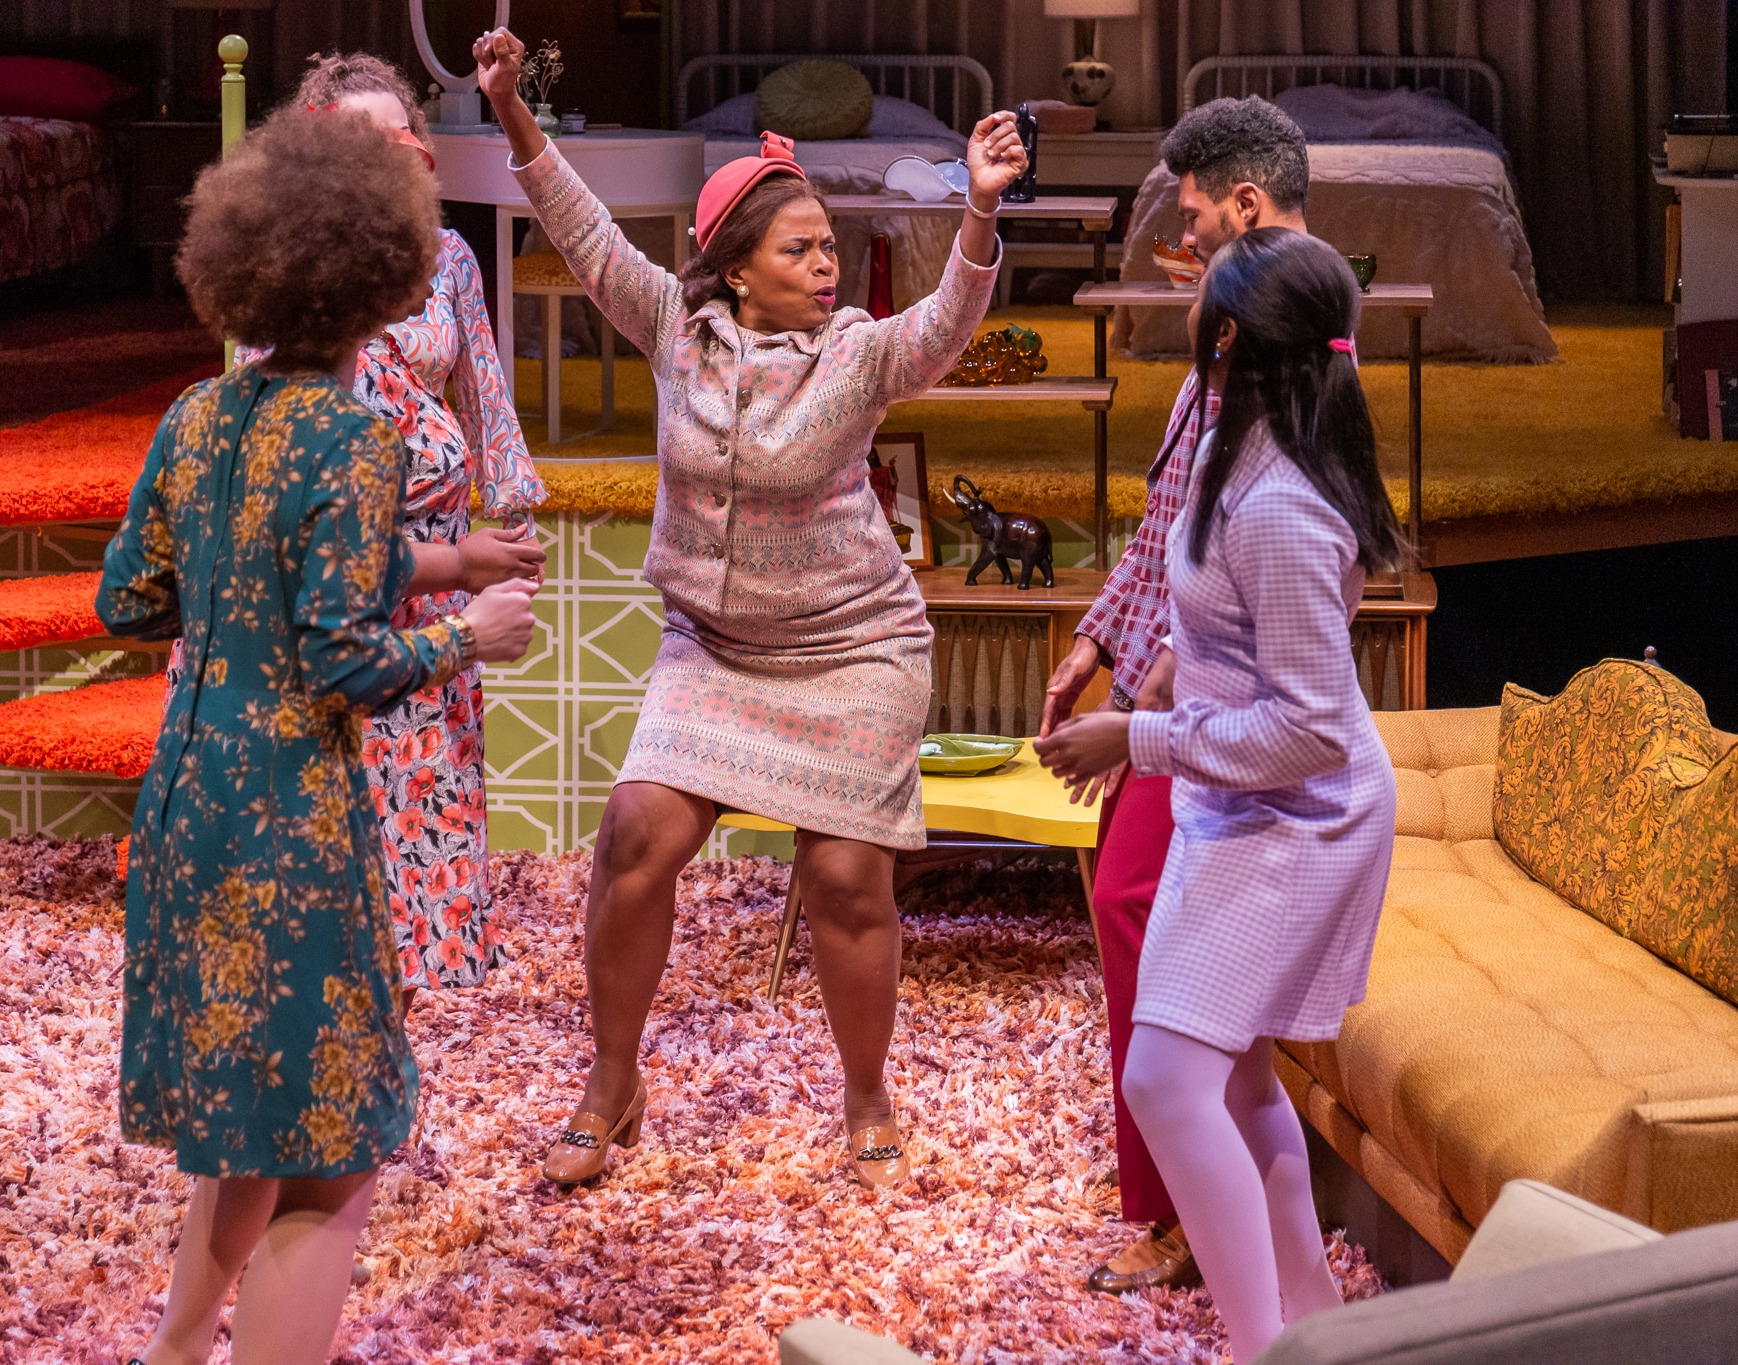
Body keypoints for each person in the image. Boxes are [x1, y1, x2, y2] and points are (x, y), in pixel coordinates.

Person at [470, 26, 1025, 1191]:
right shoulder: (675, 327)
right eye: (802, 249)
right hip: (711, 649)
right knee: (635, 837)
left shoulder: (861, 354)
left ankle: (867, 1096)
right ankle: (611, 1084)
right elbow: (580, 232)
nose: (828, 265)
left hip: (852, 646)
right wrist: (514, 112)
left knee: (839, 879)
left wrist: (976, 215)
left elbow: (946, 326)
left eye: (830, 246)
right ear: (734, 267)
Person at [97, 108, 537, 1365]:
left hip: (183, 805)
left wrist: (246, 578)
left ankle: (177, 1349)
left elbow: (128, 599)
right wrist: (468, 633)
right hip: (287, 815)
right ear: (382, 278)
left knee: (249, 1109)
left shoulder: (195, 414)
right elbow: (350, 658)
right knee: (329, 1153)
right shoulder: (354, 437)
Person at [1040, 227, 1403, 1360]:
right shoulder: (1223, 445)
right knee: (1232, 1078)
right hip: (1235, 805)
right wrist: (1154, 661)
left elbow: (1304, 729)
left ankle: (1263, 1347)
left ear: (1231, 335)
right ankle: (1312, 1326)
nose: (1183, 303)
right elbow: (1198, 593)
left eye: (1200, 296)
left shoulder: (1286, 509)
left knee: (1164, 1076)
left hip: (1301, 822)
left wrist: (1135, 738)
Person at [1034, 94, 1311, 1295]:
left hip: (1217, 707)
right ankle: (1193, 1202)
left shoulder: (1288, 338)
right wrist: (1097, 640)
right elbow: (1165, 517)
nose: (1181, 232)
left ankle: (1187, 1215)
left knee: (1138, 904)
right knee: (1127, 902)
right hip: (1168, 689)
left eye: (1193, 212)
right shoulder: (1229, 328)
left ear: (1244, 204)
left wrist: (1153, 707)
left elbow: (1254, 557)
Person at [240, 53, 549, 1005]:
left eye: (397, 138)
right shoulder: (282, 274)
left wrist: (512, 513)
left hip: (441, 573)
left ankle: (422, 987)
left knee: (432, 791)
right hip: (340, 585)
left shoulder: (449, 259)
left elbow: (484, 386)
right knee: (345, 806)